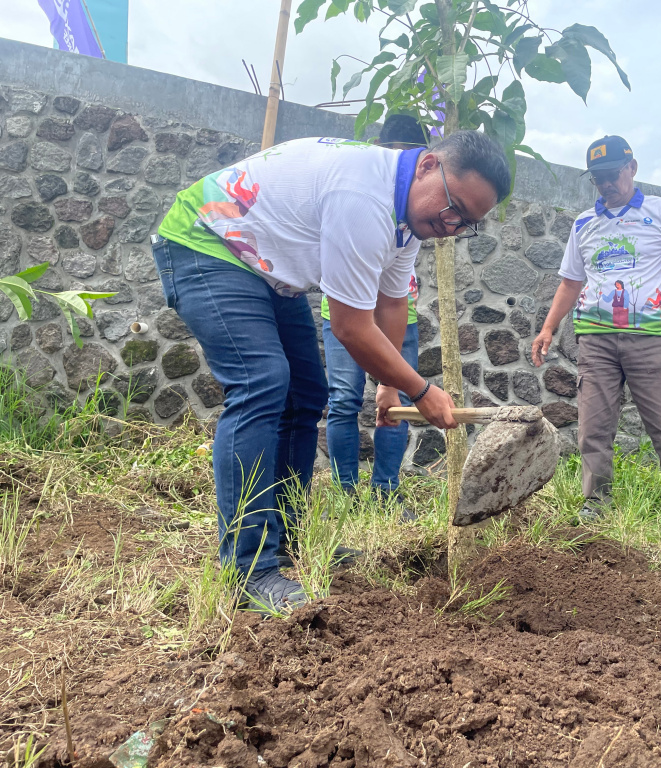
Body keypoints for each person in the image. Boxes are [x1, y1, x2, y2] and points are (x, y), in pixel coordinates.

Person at [152, 129, 511, 613]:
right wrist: (421, 389)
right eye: (452, 207)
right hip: (208, 243)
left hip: (267, 271)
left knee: (305, 394)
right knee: (262, 384)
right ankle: (249, 569)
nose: (450, 225)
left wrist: (389, 386)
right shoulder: (364, 197)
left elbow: (390, 303)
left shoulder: (408, 219)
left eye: (465, 223)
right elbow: (349, 326)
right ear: (427, 165)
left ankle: (286, 538)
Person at [531, 136, 661, 533]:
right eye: (598, 179)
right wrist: (547, 328)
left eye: (613, 174)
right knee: (593, 428)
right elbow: (570, 283)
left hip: (651, 340)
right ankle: (594, 505)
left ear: (632, 168)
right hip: (595, 343)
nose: (607, 184)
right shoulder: (583, 223)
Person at [320, 114, 429, 518]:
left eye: (408, 155)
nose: (398, 162)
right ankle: (345, 494)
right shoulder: (360, 189)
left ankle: (387, 492)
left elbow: (395, 294)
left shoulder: (419, 210)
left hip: (402, 313)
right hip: (343, 312)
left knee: (395, 399)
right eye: (392, 153)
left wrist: (390, 380)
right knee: (344, 400)